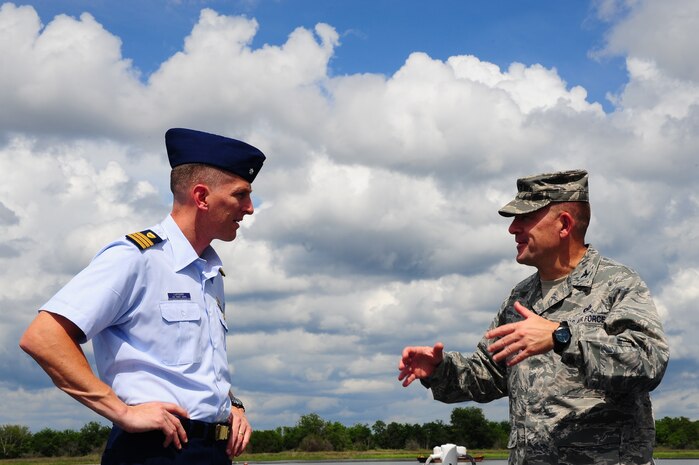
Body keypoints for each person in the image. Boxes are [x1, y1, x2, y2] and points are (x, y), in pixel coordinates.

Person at [20, 128, 266, 465]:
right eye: (241, 194)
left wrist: (231, 406)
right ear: (201, 196)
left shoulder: (207, 271)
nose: (249, 208)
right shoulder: (136, 257)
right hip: (154, 452)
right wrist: (122, 412)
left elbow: (191, 368)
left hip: (211, 451)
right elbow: (43, 337)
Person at [398, 170, 669, 465]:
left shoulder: (618, 284)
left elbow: (649, 361)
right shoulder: (521, 298)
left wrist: (561, 337)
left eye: (525, 218)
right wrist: (440, 369)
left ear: (564, 224)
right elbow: (488, 374)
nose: (513, 229)